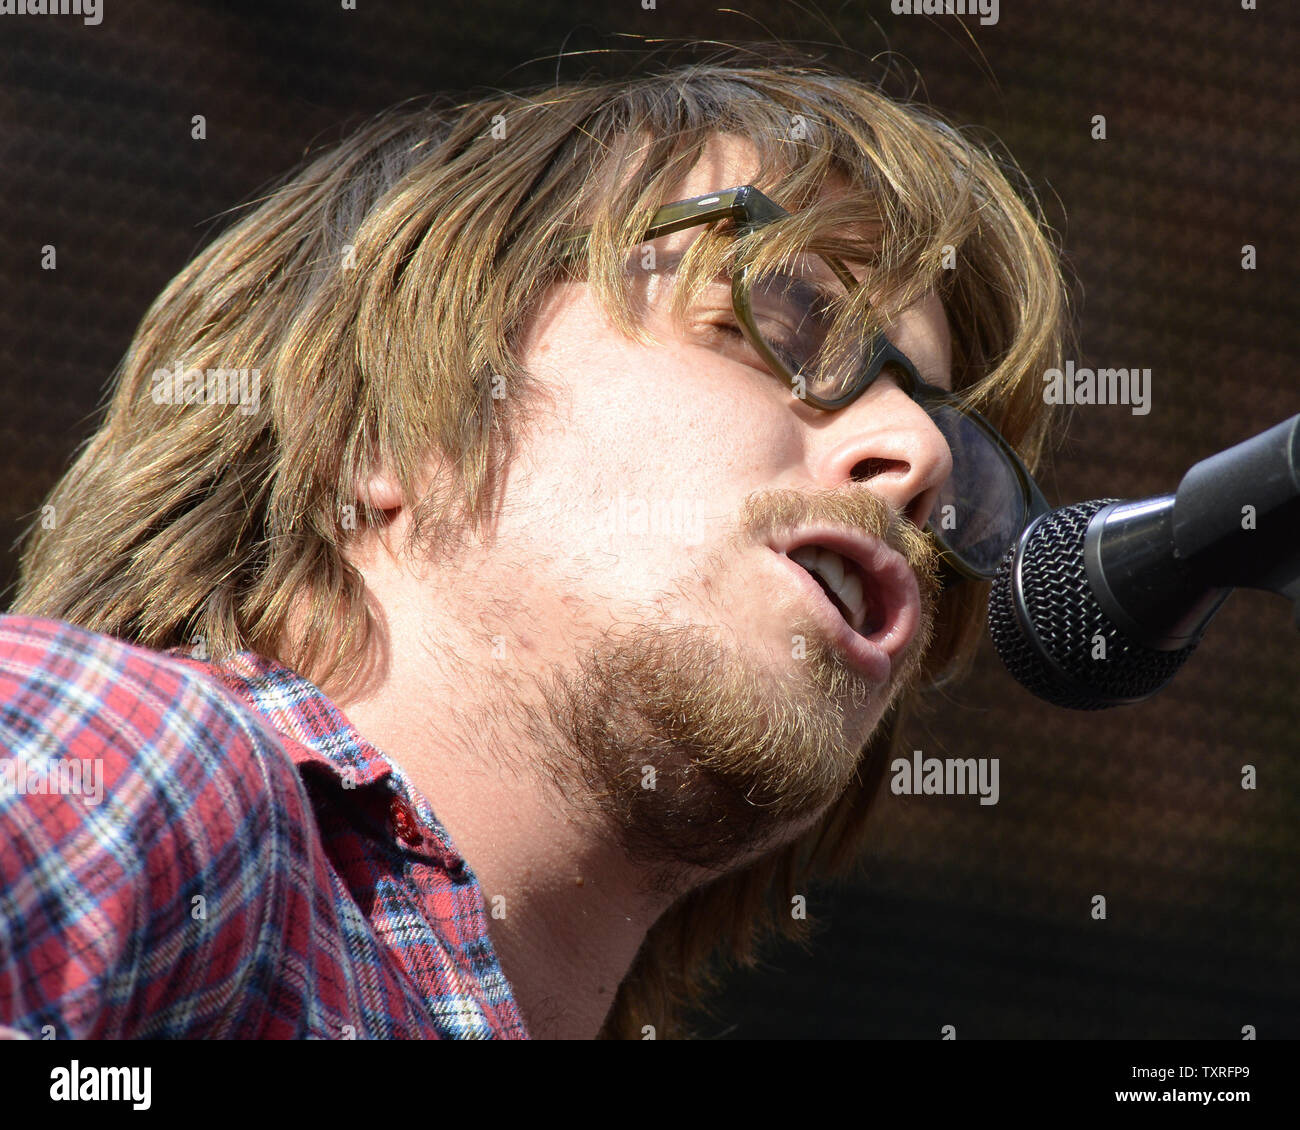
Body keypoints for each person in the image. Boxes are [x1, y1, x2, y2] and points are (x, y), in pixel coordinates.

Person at [0, 51, 1068, 1039]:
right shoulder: (136, 762)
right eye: (781, 314)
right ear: (394, 427)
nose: (917, 450)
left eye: (960, 456)